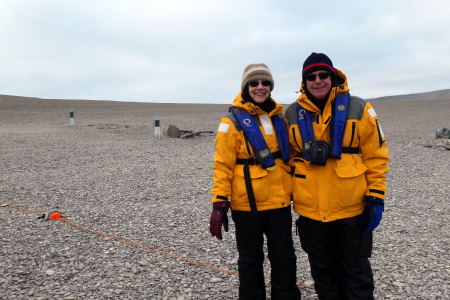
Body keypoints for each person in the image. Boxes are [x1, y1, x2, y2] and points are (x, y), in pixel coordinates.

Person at [285, 53, 389, 299]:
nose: (317, 81)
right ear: (304, 81)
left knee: (356, 272)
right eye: (311, 76)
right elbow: (286, 160)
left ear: (333, 76)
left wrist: (376, 196)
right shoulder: (290, 114)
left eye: (323, 75)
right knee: (323, 274)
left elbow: (376, 156)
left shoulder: (360, 107)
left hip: (351, 208)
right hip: (311, 211)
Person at [209, 62, 301, 299]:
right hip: (247, 205)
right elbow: (222, 165)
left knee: (284, 257)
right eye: (254, 83)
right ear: (245, 86)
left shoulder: (280, 116)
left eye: (265, 83)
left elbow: (291, 156)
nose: (260, 87)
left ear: (271, 86)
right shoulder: (230, 122)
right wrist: (219, 202)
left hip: (279, 203)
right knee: (250, 260)